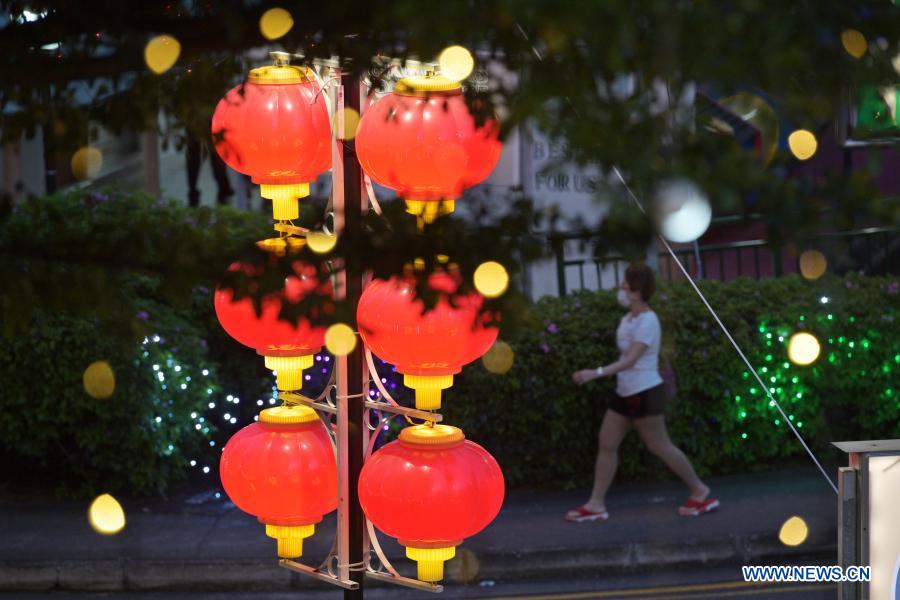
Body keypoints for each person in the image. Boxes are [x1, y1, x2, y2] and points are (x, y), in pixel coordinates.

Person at [567, 263, 718, 522]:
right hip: (624, 392)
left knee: (659, 446)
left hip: (645, 392)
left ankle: (700, 491)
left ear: (636, 292)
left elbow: (631, 360)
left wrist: (595, 372)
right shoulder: (628, 318)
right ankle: (595, 504)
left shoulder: (649, 321)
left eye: (626, 285)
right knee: (607, 442)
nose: (622, 289)